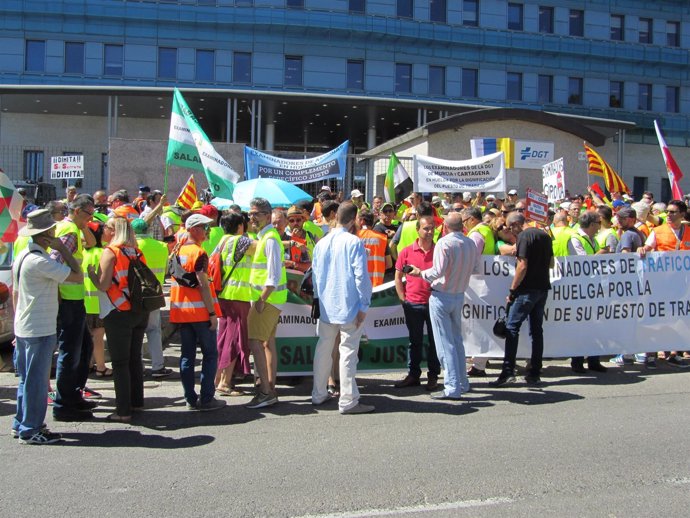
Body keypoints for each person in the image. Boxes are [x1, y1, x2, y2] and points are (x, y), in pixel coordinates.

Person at [12, 209, 82, 444]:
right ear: (45, 236)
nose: (55, 233)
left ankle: (21, 422)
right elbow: (77, 275)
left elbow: (14, 293)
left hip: (24, 324)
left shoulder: (23, 256)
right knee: (37, 381)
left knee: (26, 378)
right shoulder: (41, 261)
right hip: (39, 327)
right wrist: (62, 250)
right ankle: (31, 428)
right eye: (52, 231)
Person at [407, 212, 479, 400]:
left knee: (444, 343)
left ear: (445, 227)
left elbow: (436, 272)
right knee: (456, 341)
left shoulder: (445, 243)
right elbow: (475, 268)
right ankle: (462, 382)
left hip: (442, 295)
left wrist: (419, 273)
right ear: (462, 225)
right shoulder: (470, 243)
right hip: (458, 294)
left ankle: (452, 386)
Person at [311, 202, 373, 414]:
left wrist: (318, 301)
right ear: (354, 219)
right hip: (349, 306)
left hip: (327, 306)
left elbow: (316, 279)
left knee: (324, 349)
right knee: (347, 353)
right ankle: (347, 401)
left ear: (336, 216)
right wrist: (365, 304)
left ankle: (318, 393)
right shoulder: (353, 242)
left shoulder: (322, 243)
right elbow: (361, 277)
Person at [87, 217, 151, 421]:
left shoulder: (110, 252)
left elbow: (104, 285)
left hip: (117, 310)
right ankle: (137, 402)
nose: (103, 230)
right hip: (139, 309)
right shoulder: (136, 251)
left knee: (120, 362)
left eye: (106, 227)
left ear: (114, 231)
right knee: (134, 358)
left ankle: (123, 411)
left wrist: (92, 275)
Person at [490, 212, 554, 387]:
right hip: (542, 288)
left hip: (526, 289)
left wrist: (512, 289)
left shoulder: (525, 237)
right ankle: (535, 372)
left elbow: (522, 265)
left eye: (511, 228)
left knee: (511, 328)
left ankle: (508, 371)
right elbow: (551, 263)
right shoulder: (545, 236)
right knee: (536, 330)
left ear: (516, 225)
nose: (511, 232)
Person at [169, 214, 225, 411]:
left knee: (187, 356)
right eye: (203, 227)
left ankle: (190, 399)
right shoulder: (198, 253)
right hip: (200, 313)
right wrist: (212, 314)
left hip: (182, 314)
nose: (207, 231)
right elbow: (202, 284)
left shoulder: (177, 250)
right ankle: (207, 398)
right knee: (210, 355)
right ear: (193, 229)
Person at [51, 194, 98, 422]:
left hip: (73, 299)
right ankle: (64, 403)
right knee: (71, 353)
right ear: (77, 211)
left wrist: (84, 225)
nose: (91, 218)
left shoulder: (71, 228)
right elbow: (54, 265)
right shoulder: (69, 231)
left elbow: (91, 243)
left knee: (83, 349)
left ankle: (73, 396)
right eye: (89, 214)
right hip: (69, 300)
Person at [245, 198, 288, 409]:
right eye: (250, 213)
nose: (252, 217)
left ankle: (265, 392)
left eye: (256, 214)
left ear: (267, 215)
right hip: (271, 300)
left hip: (267, 300)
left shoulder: (269, 238)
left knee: (256, 342)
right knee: (267, 343)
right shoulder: (266, 237)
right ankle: (269, 388)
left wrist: (261, 300)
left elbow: (273, 275)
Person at [393, 215, 441, 391]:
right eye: (426, 228)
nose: (429, 232)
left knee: (435, 341)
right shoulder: (406, 251)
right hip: (413, 303)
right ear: (418, 230)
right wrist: (403, 299)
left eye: (432, 228)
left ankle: (433, 375)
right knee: (415, 341)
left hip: (435, 303)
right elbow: (398, 277)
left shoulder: (439, 251)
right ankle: (413, 375)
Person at [214, 212, 255, 396]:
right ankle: (224, 382)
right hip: (238, 295)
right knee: (233, 339)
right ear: (240, 226)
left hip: (223, 294)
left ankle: (217, 379)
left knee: (224, 338)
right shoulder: (240, 241)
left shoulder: (223, 240)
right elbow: (264, 247)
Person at [566, 212, 608, 374]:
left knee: (596, 325)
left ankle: (593, 359)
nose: (600, 225)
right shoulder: (576, 238)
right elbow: (582, 262)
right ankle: (577, 361)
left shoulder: (593, 239)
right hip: (581, 288)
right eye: (598, 222)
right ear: (592, 225)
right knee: (581, 326)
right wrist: (601, 254)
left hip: (594, 287)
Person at [131, 218, 173, 378]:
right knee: (154, 329)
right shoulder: (162, 246)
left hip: (136, 293)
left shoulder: (132, 248)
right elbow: (165, 269)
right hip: (155, 292)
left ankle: (138, 364)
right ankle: (158, 365)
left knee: (137, 331)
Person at [356, 209, 391, 288]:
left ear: (362, 221)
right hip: (377, 284)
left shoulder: (354, 237)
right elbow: (389, 264)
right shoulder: (382, 238)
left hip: (359, 283)